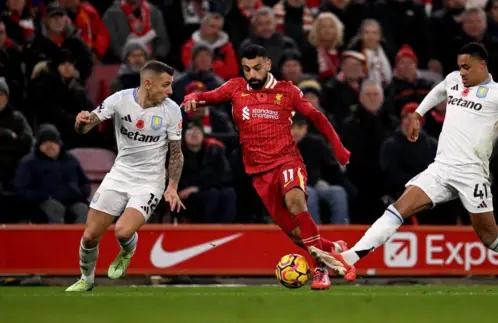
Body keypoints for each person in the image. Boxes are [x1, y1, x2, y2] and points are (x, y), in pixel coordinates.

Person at [309, 43, 498, 286]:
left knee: (490, 237)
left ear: (482, 66)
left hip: (472, 175)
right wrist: (419, 113)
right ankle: (350, 258)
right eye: (460, 67)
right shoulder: (454, 80)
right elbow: (439, 90)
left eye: (467, 67)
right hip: (441, 168)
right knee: (397, 209)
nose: (462, 73)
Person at [182, 44, 351, 290]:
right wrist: (192, 97)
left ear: (268, 65)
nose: (252, 74)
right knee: (295, 234)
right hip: (260, 173)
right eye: (247, 69)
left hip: (287, 161)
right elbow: (206, 97)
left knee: (296, 202)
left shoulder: (287, 91)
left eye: (257, 68)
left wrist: (338, 148)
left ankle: (320, 269)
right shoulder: (235, 88)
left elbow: (316, 117)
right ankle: (333, 248)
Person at [66, 61, 185, 292]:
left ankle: (128, 249)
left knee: (122, 231)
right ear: (148, 84)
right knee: (90, 236)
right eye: (166, 85)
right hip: (119, 175)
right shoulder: (119, 100)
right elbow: (85, 127)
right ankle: (86, 279)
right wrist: (80, 123)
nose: (170, 91)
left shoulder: (171, 110)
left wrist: (172, 186)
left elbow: (177, 153)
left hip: (150, 182)